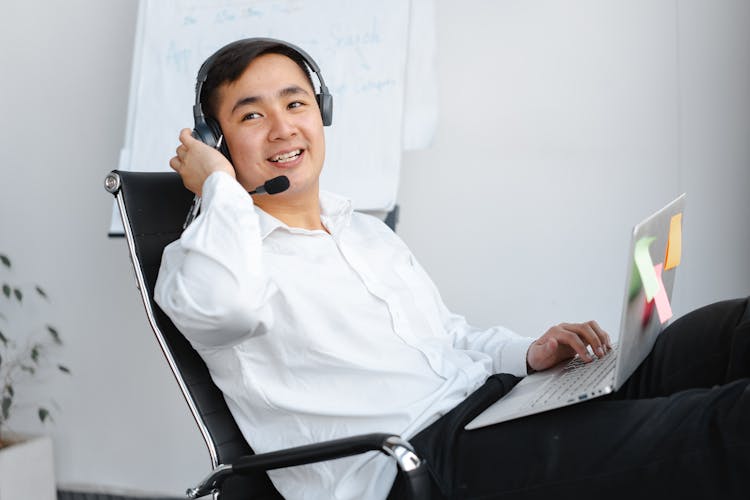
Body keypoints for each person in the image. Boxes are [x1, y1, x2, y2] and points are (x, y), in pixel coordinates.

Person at [155, 38, 750, 500]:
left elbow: (449, 338)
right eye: (251, 117)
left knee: (728, 334)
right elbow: (225, 308)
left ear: (321, 112)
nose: (284, 127)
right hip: (422, 463)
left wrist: (529, 355)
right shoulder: (204, 261)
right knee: (720, 425)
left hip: (499, 403)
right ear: (219, 141)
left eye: (296, 103)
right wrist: (220, 188)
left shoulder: (361, 232)